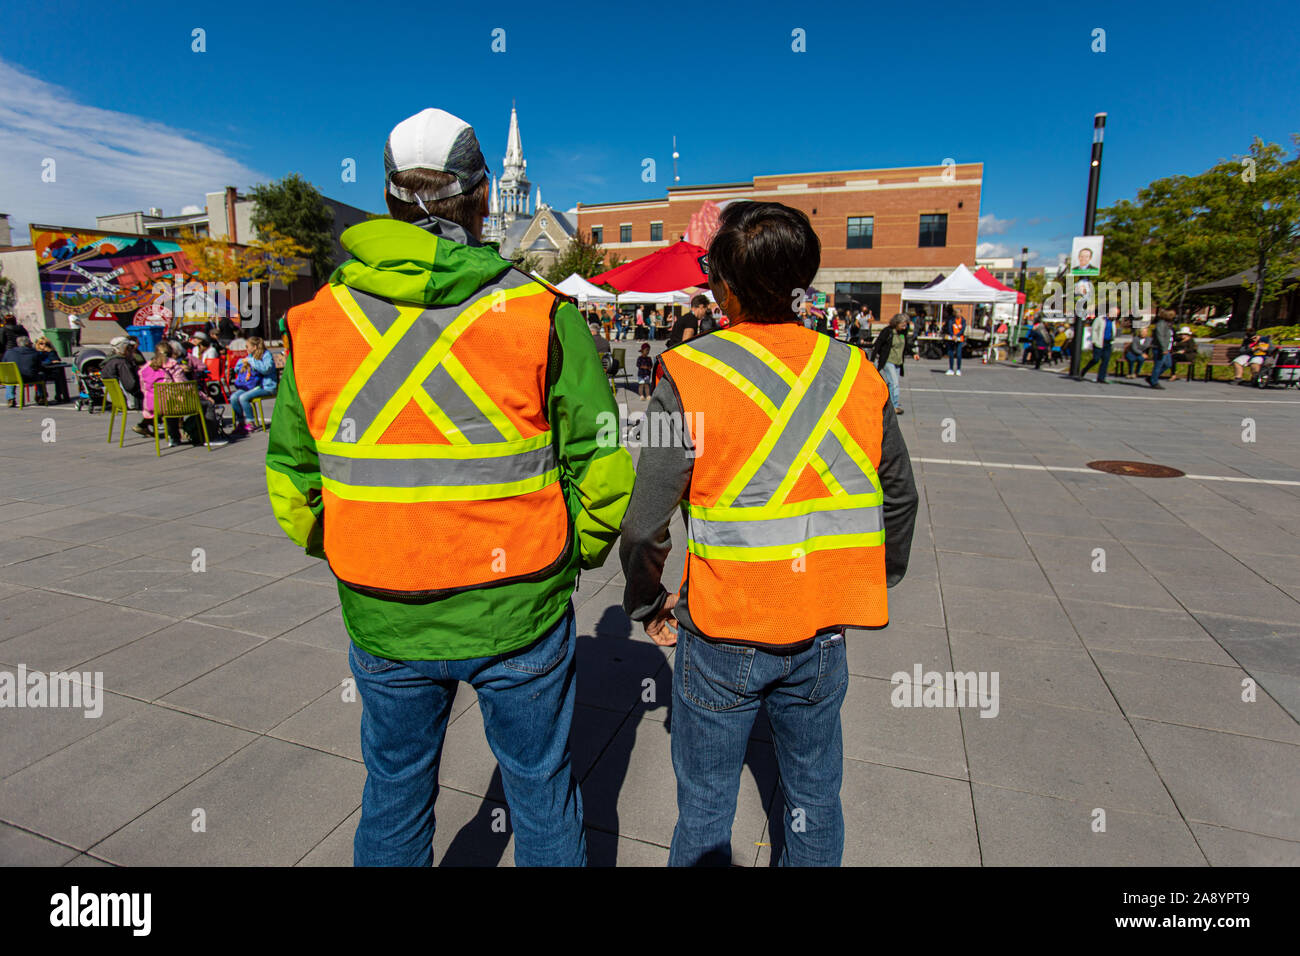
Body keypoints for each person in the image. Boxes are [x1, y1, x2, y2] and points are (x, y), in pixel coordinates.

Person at [265, 107, 635, 867]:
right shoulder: (538, 314)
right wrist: (573, 557)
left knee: (394, 793)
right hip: (519, 609)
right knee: (541, 794)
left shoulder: (318, 320)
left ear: (391, 197)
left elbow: (292, 482)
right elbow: (602, 465)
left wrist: (348, 549)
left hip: (383, 612)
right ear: (479, 198)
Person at [620, 200, 918, 867]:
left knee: (704, 804)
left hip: (723, 626)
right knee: (814, 794)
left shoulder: (688, 373)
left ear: (724, 287)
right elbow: (900, 495)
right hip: (822, 629)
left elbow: (644, 521)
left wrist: (646, 601)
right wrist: (872, 577)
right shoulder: (858, 372)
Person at [228, 336, 278, 433]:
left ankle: (251, 422)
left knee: (243, 398)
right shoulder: (250, 356)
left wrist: (251, 361)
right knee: (234, 397)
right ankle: (241, 422)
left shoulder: (266, 355)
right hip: (251, 386)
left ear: (254, 347)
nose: (246, 349)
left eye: (247, 346)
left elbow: (266, 369)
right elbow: (237, 369)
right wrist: (241, 364)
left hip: (266, 386)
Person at [871, 313, 917, 416]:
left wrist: (913, 354)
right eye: (903, 325)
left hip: (898, 362)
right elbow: (877, 345)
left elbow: (906, 346)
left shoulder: (902, 333)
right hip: (888, 361)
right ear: (897, 323)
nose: (905, 327)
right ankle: (894, 406)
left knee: (892, 384)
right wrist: (872, 359)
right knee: (894, 383)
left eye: (906, 325)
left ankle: (886, 402)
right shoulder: (888, 331)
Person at [101, 339, 145, 413]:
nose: (132, 350)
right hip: (132, 400)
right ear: (125, 349)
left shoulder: (110, 361)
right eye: (130, 348)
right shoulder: (122, 363)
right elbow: (130, 385)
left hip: (117, 399)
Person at [3, 336, 48, 406]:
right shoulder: (34, 353)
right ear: (27, 344)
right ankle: (41, 396)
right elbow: (39, 367)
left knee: (11, 377)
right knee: (41, 374)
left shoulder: (9, 352)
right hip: (29, 377)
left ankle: (10, 398)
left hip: (13, 378)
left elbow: (4, 364)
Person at [1081, 311, 1117, 383]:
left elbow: (1113, 331)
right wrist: (1095, 341)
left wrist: (1112, 340)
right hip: (1099, 342)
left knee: (1105, 360)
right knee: (1096, 359)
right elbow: (1094, 330)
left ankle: (1101, 378)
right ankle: (1084, 370)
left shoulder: (1112, 322)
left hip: (1108, 343)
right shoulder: (1100, 319)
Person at [33, 336, 70, 403]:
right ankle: (42, 396)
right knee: (39, 376)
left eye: (46, 344)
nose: (44, 345)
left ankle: (60, 395)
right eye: (41, 343)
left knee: (59, 375)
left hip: (51, 371)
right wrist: (50, 362)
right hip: (41, 372)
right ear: (37, 344)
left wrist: (50, 352)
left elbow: (56, 360)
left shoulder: (51, 352)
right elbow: (38, 362)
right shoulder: (36, 353)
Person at [1147, 309, 1175, 389]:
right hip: (1159, 348)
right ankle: (1154, 381)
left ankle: (1152, 377)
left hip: (1166, 348)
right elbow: (1160, 336)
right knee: (1158, 365)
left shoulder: (1167, 324)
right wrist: (1163, 348)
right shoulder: (1161, 324)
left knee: (1168, 364)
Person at [942, 306, 966, 375]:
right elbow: (949, 328)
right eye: (956, 313)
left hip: (959, 339)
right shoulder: (951, 320)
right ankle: (951, 369)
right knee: (951, 354)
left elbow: (962, 329)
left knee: (958, 354)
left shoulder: (963, 320)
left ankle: (958, 369)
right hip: (951, 338)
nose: (958, 314)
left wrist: (957, 335)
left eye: (959, 313)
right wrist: (953, 335)